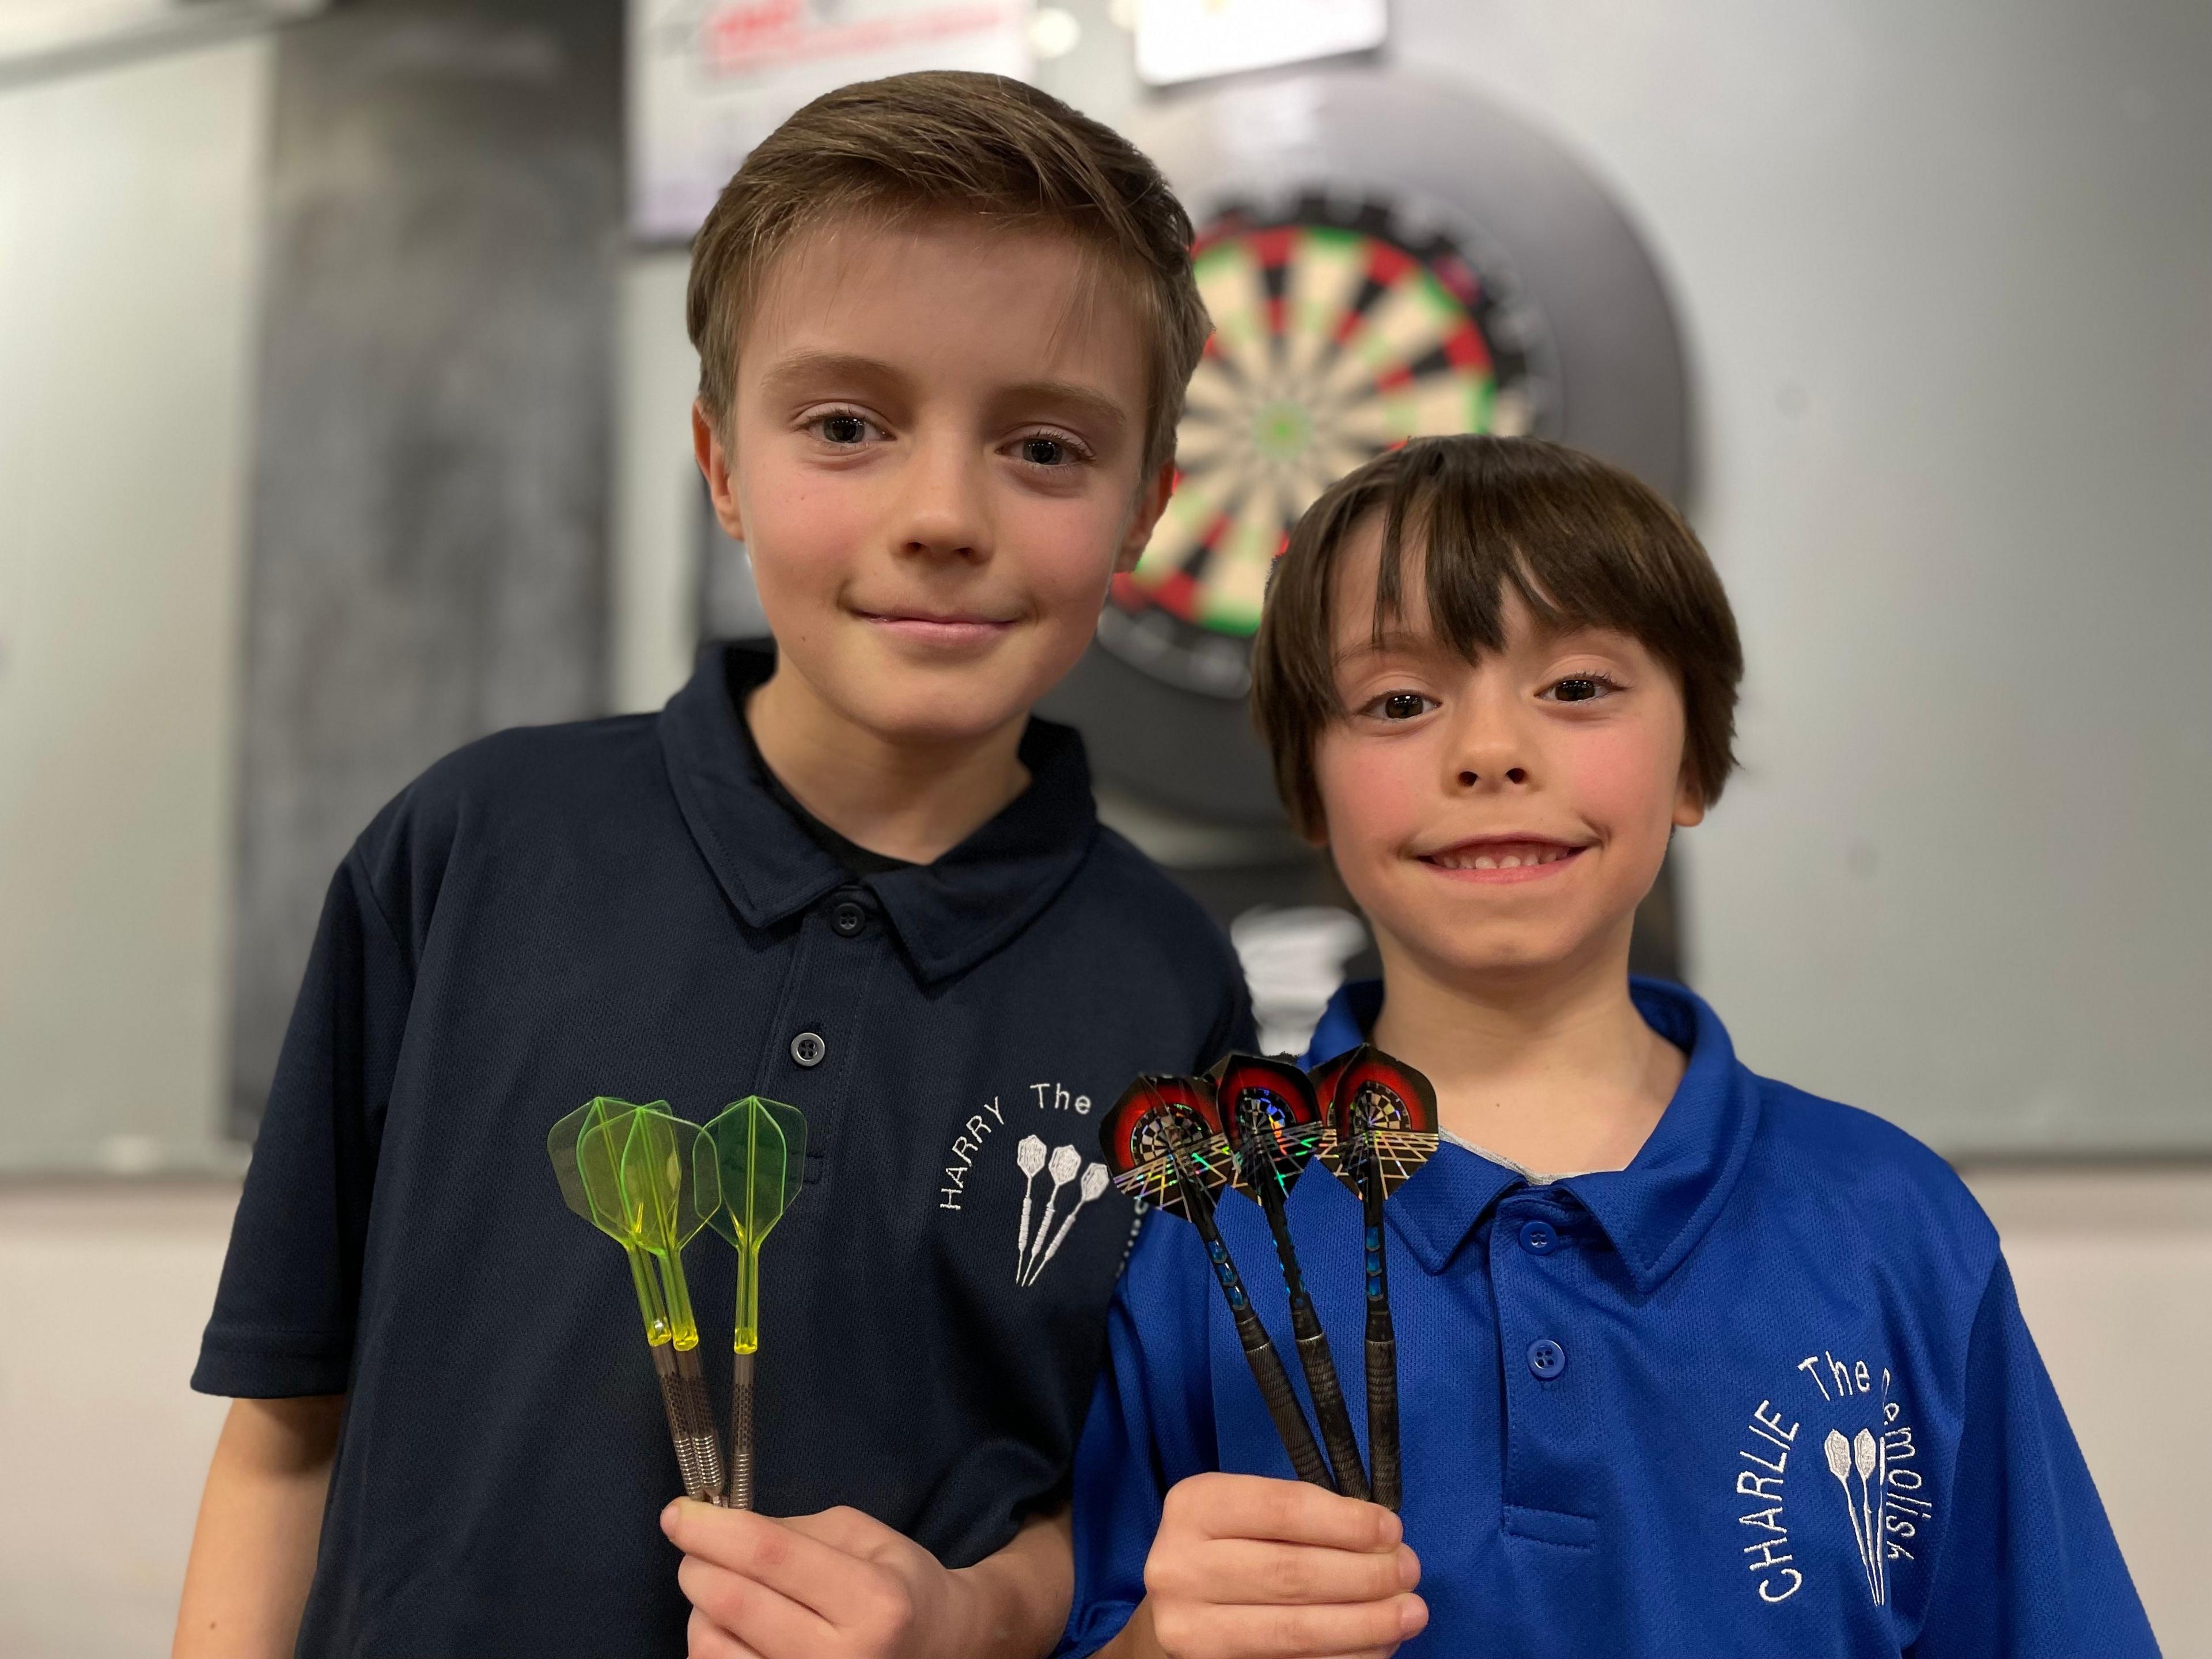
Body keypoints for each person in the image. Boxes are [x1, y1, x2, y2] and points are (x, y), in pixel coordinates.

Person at [174, 70, 1250, 1659]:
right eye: (845, 426)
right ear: (722, 463)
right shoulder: (469, 850)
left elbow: (1125, 1509)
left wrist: (960, 1616)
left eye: (1042, 446)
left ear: (1147, 505)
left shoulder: (1169, 989)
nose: (943, 513)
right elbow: (284, 1433)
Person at [1056, 435, 2158, 1658]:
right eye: (1399, 702)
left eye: (1577, 687)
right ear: (1308, 790)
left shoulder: (1894, 1226)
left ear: (1693, 759)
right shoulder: (1204, 1228)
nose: (1489, 751)